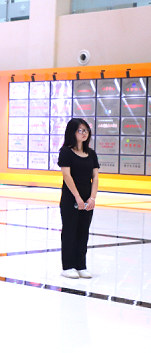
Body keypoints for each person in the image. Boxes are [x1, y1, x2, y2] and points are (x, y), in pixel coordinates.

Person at [58, 118, 99, 279]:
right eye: (80, 130)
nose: (84, 133)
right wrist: (77, 197)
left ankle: (81, 265)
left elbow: (95, 177)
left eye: (86, 130)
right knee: (70, 231)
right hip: (71, 198)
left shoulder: (91, 153)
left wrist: (92, 198)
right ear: (72, 132)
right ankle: (68, 266)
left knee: (83, 231)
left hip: (87, 199)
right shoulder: (66, 152)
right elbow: (67, 176)